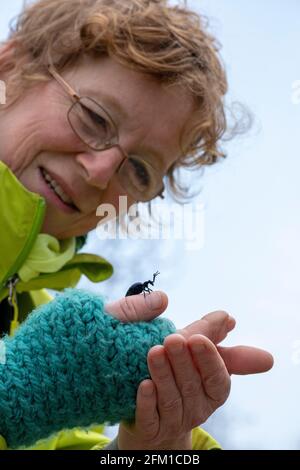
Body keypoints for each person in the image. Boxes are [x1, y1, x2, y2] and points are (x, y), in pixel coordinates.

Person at [0, 0, 273, 450]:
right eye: (93, 117)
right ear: (12, 65)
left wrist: (154, 442)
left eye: (141, 170)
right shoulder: (45, 358)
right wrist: (11, 398)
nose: (102, 170)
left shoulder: (57, 340)